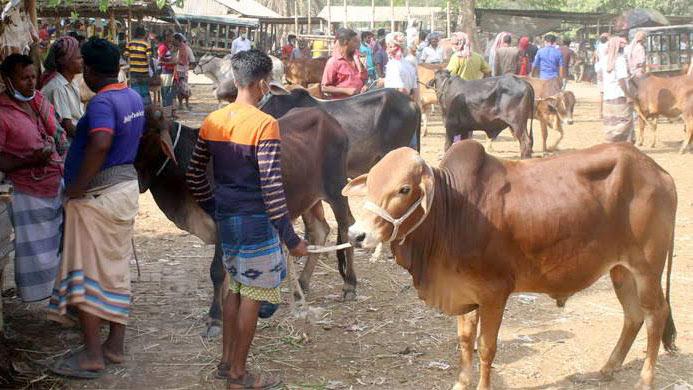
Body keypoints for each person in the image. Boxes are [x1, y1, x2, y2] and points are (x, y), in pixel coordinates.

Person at [185, 49, 309, 389]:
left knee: (234, 289)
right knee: (251, 294)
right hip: (255, 223)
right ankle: (239, 375)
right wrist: (292, 239)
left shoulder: (214, 120)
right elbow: (271, 188)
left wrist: (215, 208)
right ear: (263, 83)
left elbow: (195, 174)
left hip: (228, 218)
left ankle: (227, 364)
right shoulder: (265, 124)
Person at [48, 37, 144, 378]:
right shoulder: (132, 96)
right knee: (114, 268)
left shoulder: (102, 102)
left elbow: (102, 141)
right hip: (123, 190)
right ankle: (114, 344)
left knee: (87, 272)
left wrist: (76, 187)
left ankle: (92, 354)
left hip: (98, 196)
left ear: (88, 69)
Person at [0, 54, 65, 303]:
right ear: (8, 80)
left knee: (58, 244)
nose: (30, 82)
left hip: (54, 181)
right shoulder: (3, 113)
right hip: (27, 190)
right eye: (24, 78)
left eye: (33, 77)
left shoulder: (38, 99)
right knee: (35, 249)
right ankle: (39, 297)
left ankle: (58, 296)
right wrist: (30, 160)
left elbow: (58, 132)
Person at [40, 36, 84, 138]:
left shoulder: (71, 83)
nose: (82, 61)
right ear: (64, 61)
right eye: (78, 58)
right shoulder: (57, 88)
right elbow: (68, 128)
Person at [601, 37, 633, 143]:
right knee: (625, 121)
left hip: (607, 96)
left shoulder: (604, 59)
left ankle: (611, 142)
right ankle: (615, 142)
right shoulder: (619, 59)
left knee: (610, 122)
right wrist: (628, 94)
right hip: (619, 95)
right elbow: (621, 80)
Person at [321, 28, 368, 99]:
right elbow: (324, 87)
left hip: (360, 101)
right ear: (346, 42)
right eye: (355, 41)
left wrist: (365, 86)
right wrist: (346, 90)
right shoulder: (333, 62)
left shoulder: (356, 59)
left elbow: (364, 79)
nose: (357, 45)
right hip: (343, 105)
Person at [123, 25, 152, 105]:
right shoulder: (146, 44)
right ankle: (145, 109)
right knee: (144, 91)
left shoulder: (130, 43)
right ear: (143, 34)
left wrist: (132, 58)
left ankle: (136, 107)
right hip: (144, 72)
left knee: (135, 90)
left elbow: (125, 55)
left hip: (133, 71)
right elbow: (148, 58)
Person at [157, 30, 176, 116]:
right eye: (171, 37)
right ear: (167, 37)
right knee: (166, 93)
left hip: (169, 72)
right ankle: (166, 113)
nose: (172, 39)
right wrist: (172, 63)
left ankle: (169, 112)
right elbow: (159, 62)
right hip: (165, 72)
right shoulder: (163, 47)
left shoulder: (167, 47)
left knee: (169, 92)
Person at [173, 33, 193, 111]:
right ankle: (181, 104)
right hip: (175, 71)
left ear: (178, 40)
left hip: (183, 71)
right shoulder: (175, 49)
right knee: (178, 89)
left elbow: (192, 60)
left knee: (184, 89)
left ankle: (187, 103)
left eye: (174, 40)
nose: (173, 41)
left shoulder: (187, 49)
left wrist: (186, 67)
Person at [594, 33, 610, 118]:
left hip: (599, 69)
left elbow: (596, 56)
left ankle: (600, 113)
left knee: (601, 92)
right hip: (607, 70)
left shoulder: (598, 46)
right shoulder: (608, 45)